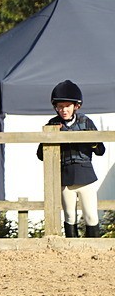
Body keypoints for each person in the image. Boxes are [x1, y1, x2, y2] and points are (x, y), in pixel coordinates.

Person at [37, 80, 106, 237]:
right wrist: (52, 135)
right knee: (69, 216)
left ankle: (93, 248)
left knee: (91, 216)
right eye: (60, 107)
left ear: (76, 106)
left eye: (67, 106)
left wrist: (91, 141)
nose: (63, 110)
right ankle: (71, 250)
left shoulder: (86, 122)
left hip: (86, 175)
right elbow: (41, 155)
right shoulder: (52, 124)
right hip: (64, 177)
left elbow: (100, 150)